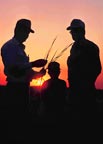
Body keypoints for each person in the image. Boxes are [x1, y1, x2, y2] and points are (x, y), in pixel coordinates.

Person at [1, 18, 47, 141]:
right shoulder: (9, 47)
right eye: (25, 31)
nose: (27, 35)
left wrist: (39, 74)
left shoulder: (20, 49)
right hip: (15, 90)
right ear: (17, 30)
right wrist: (33, 64)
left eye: (28, 32)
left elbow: (26, 73)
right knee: (15, 123)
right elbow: (14, 71)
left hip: (22, 90)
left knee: (22, 121)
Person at [66, 19, 102, 124]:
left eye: (74, 31)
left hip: (86, 93)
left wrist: (84, 82)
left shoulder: (91, 47)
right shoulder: (73, 48)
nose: (72, 34)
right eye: (71, 32)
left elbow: (97, 69)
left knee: (87, 122)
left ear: (82, 32)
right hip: (74, 92)